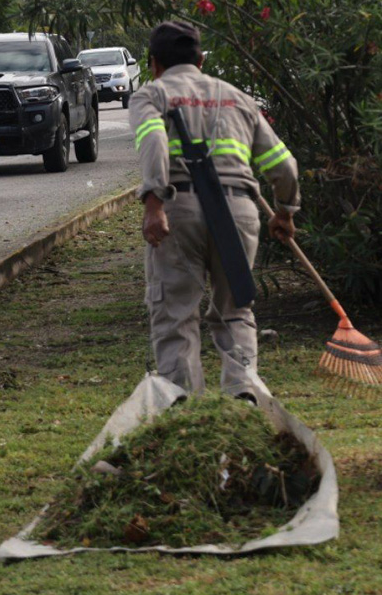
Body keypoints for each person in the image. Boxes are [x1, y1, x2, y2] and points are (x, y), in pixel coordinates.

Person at [128, 21, 299, 401]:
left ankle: (182, 408)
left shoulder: (151, 95)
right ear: (201, 60)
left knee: (175, 315)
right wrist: (285, 210)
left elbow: (154, 142)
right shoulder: (237, 97)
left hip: (179, 210)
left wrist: (154, 202)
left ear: (154, 63)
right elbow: (282, 164)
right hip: (238, 211)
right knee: (235, 309)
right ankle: (245, 399)